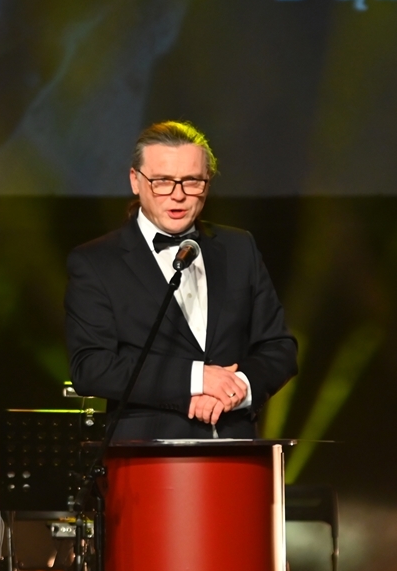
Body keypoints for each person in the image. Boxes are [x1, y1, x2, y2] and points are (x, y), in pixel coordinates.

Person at [65, 121, 297, 439]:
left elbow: (279, 347)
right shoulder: (96, 262)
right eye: (162, 182)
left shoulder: (239, 248)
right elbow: (92, 367)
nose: (178, 195)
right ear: (135, 180)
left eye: (192, 182)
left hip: (236, 446)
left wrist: (237, 388)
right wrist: (196, 378)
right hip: (146, 452)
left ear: (208, 182)